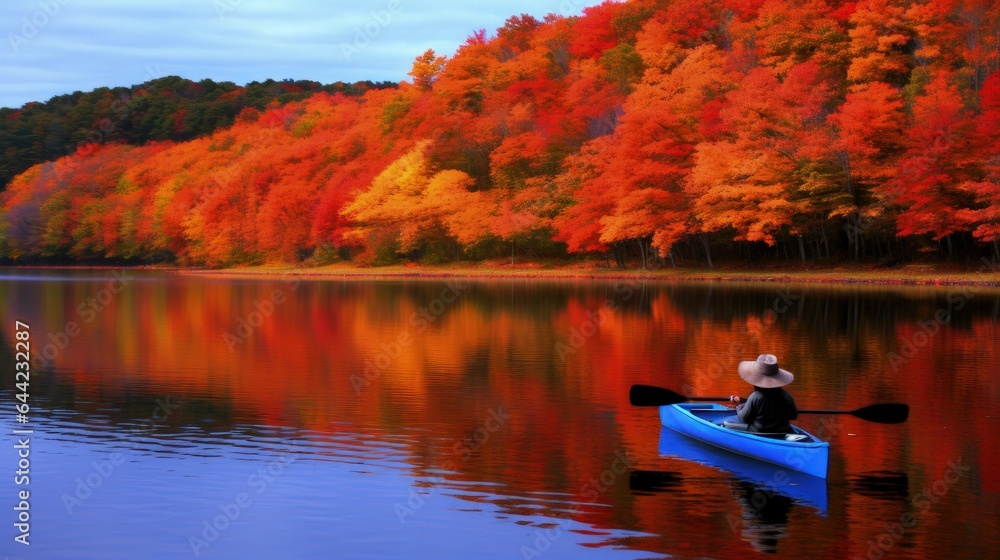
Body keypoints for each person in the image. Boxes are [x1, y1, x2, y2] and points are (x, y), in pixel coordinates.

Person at [728, 354, 798, 434]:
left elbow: (744, 418)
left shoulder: (755, 397)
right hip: (783, 432)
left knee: (726, 424)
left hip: (760, 432)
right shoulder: (786, 396)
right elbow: (793, 416)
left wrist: (739, 408)